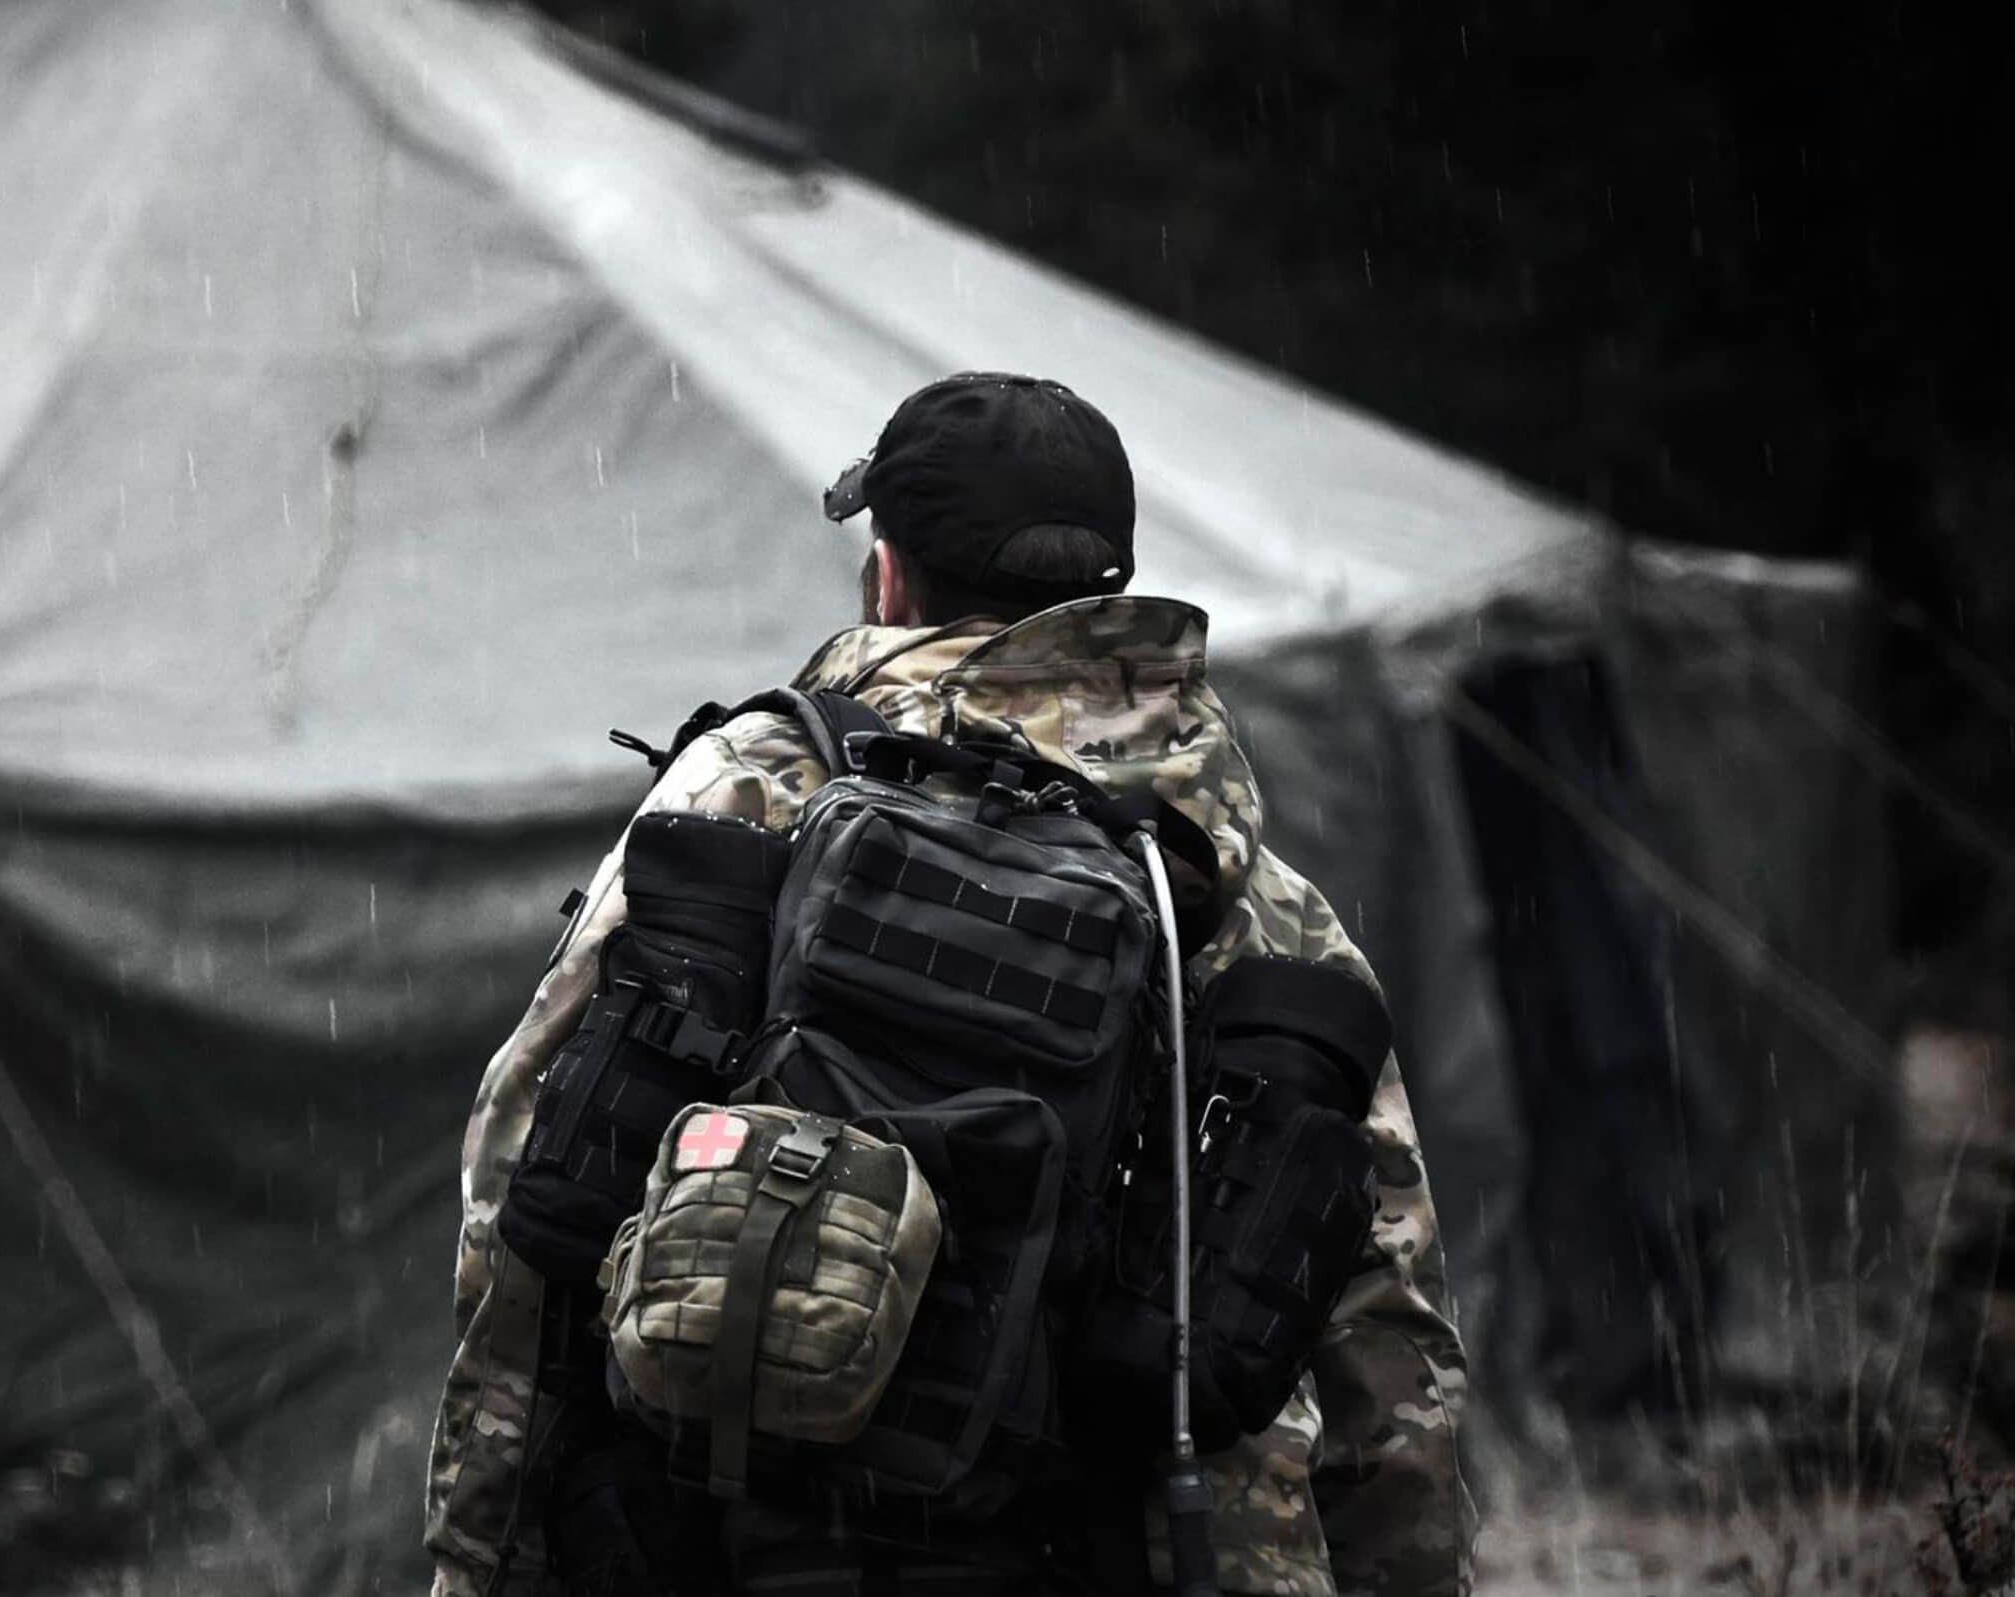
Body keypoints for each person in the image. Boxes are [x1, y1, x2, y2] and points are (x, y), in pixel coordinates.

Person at [424, 373, 1476, 1596]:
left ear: (890, 577)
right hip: (1123, 1547)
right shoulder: (1239, 890)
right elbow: (1391, 1348)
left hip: (737, 1531)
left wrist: (480, 1548)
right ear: (1110, 598)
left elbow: (529, 1180)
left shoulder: (753, 791)